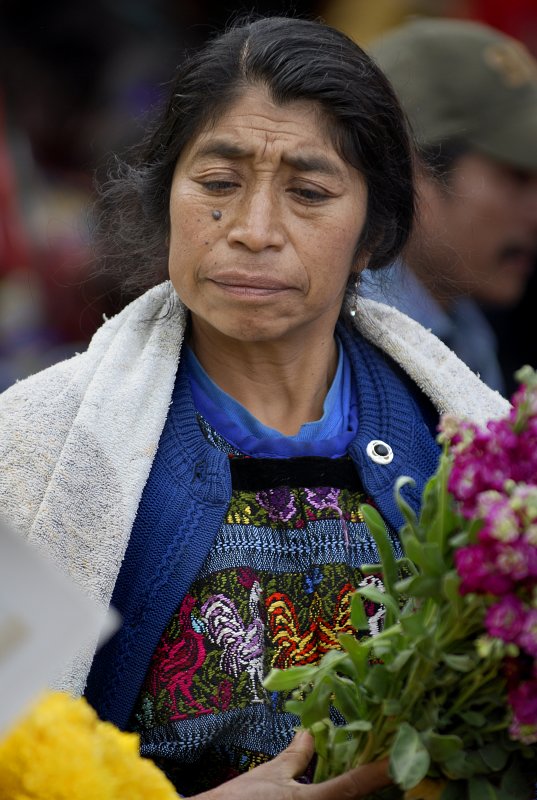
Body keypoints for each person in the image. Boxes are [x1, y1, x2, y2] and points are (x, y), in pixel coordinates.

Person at [0, 15, 508, 799]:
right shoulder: (41, 449)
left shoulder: (458, 445)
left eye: (308, 193)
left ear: (372, 232)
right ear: (165, 197)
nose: (253, 230)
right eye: (217, 184)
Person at [360, 17, 537, 395]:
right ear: (410, 170)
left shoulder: (464, 328)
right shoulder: (333, 345)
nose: (534, 213)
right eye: (517, 178)